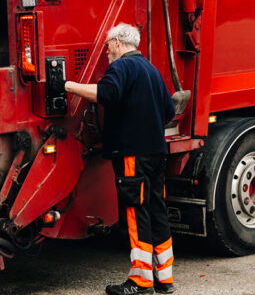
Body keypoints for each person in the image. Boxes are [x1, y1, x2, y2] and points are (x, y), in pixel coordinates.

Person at [65, 23, 177, 295]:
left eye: (106, 45)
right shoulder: (151, 69)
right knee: (156, 210)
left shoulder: (121, 67)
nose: (106, 51)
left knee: (135, 212)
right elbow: (170, 111)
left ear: (117, 43)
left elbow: (107, 94)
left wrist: (69, 85)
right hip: (156, 153)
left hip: (132, 155)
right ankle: (165, 278)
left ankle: (140, 282)